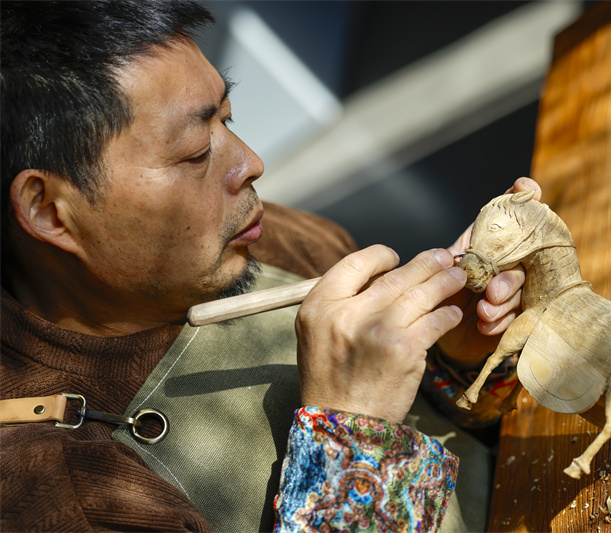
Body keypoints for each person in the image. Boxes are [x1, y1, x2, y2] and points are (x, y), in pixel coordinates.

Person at [0, 1, 541, 531]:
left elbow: (462, 425)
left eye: (227, 117)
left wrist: (460, 354)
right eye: (194, 152)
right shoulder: (58, 493)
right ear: (49, 211)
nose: (251, 163)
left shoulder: (265, 239)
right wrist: (353, 436)